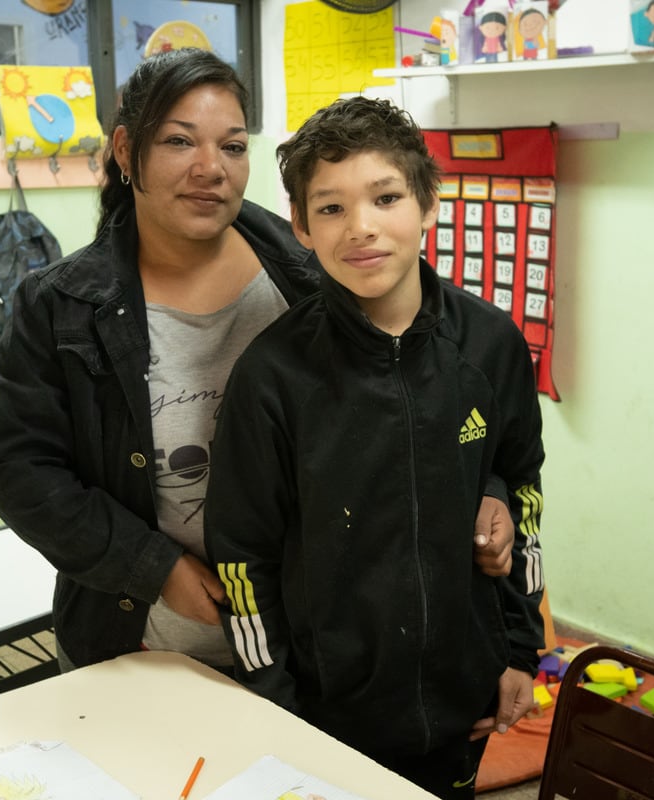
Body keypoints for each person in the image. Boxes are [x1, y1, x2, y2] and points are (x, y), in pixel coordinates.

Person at [0, 49, 517, 675]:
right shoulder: (63, 305)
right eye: (180, 142)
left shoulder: (314, 268)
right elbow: (19, 469)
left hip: (311, 638)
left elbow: (418, 402)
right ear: (126, 153)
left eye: (232, 147)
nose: (210, 168)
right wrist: (155, 568)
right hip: (144, 636)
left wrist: (489, 488)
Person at [203, 96, 546, 799]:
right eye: (330, 208)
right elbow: (242, 558)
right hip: (325, 717)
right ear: (300, 225)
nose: (361, 228)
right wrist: (276, 705)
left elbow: (524, 492)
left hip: (461, 701)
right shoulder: (274, 376)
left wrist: (518, 651)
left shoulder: (492, 346)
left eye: (385, 197)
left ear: (427, 202)